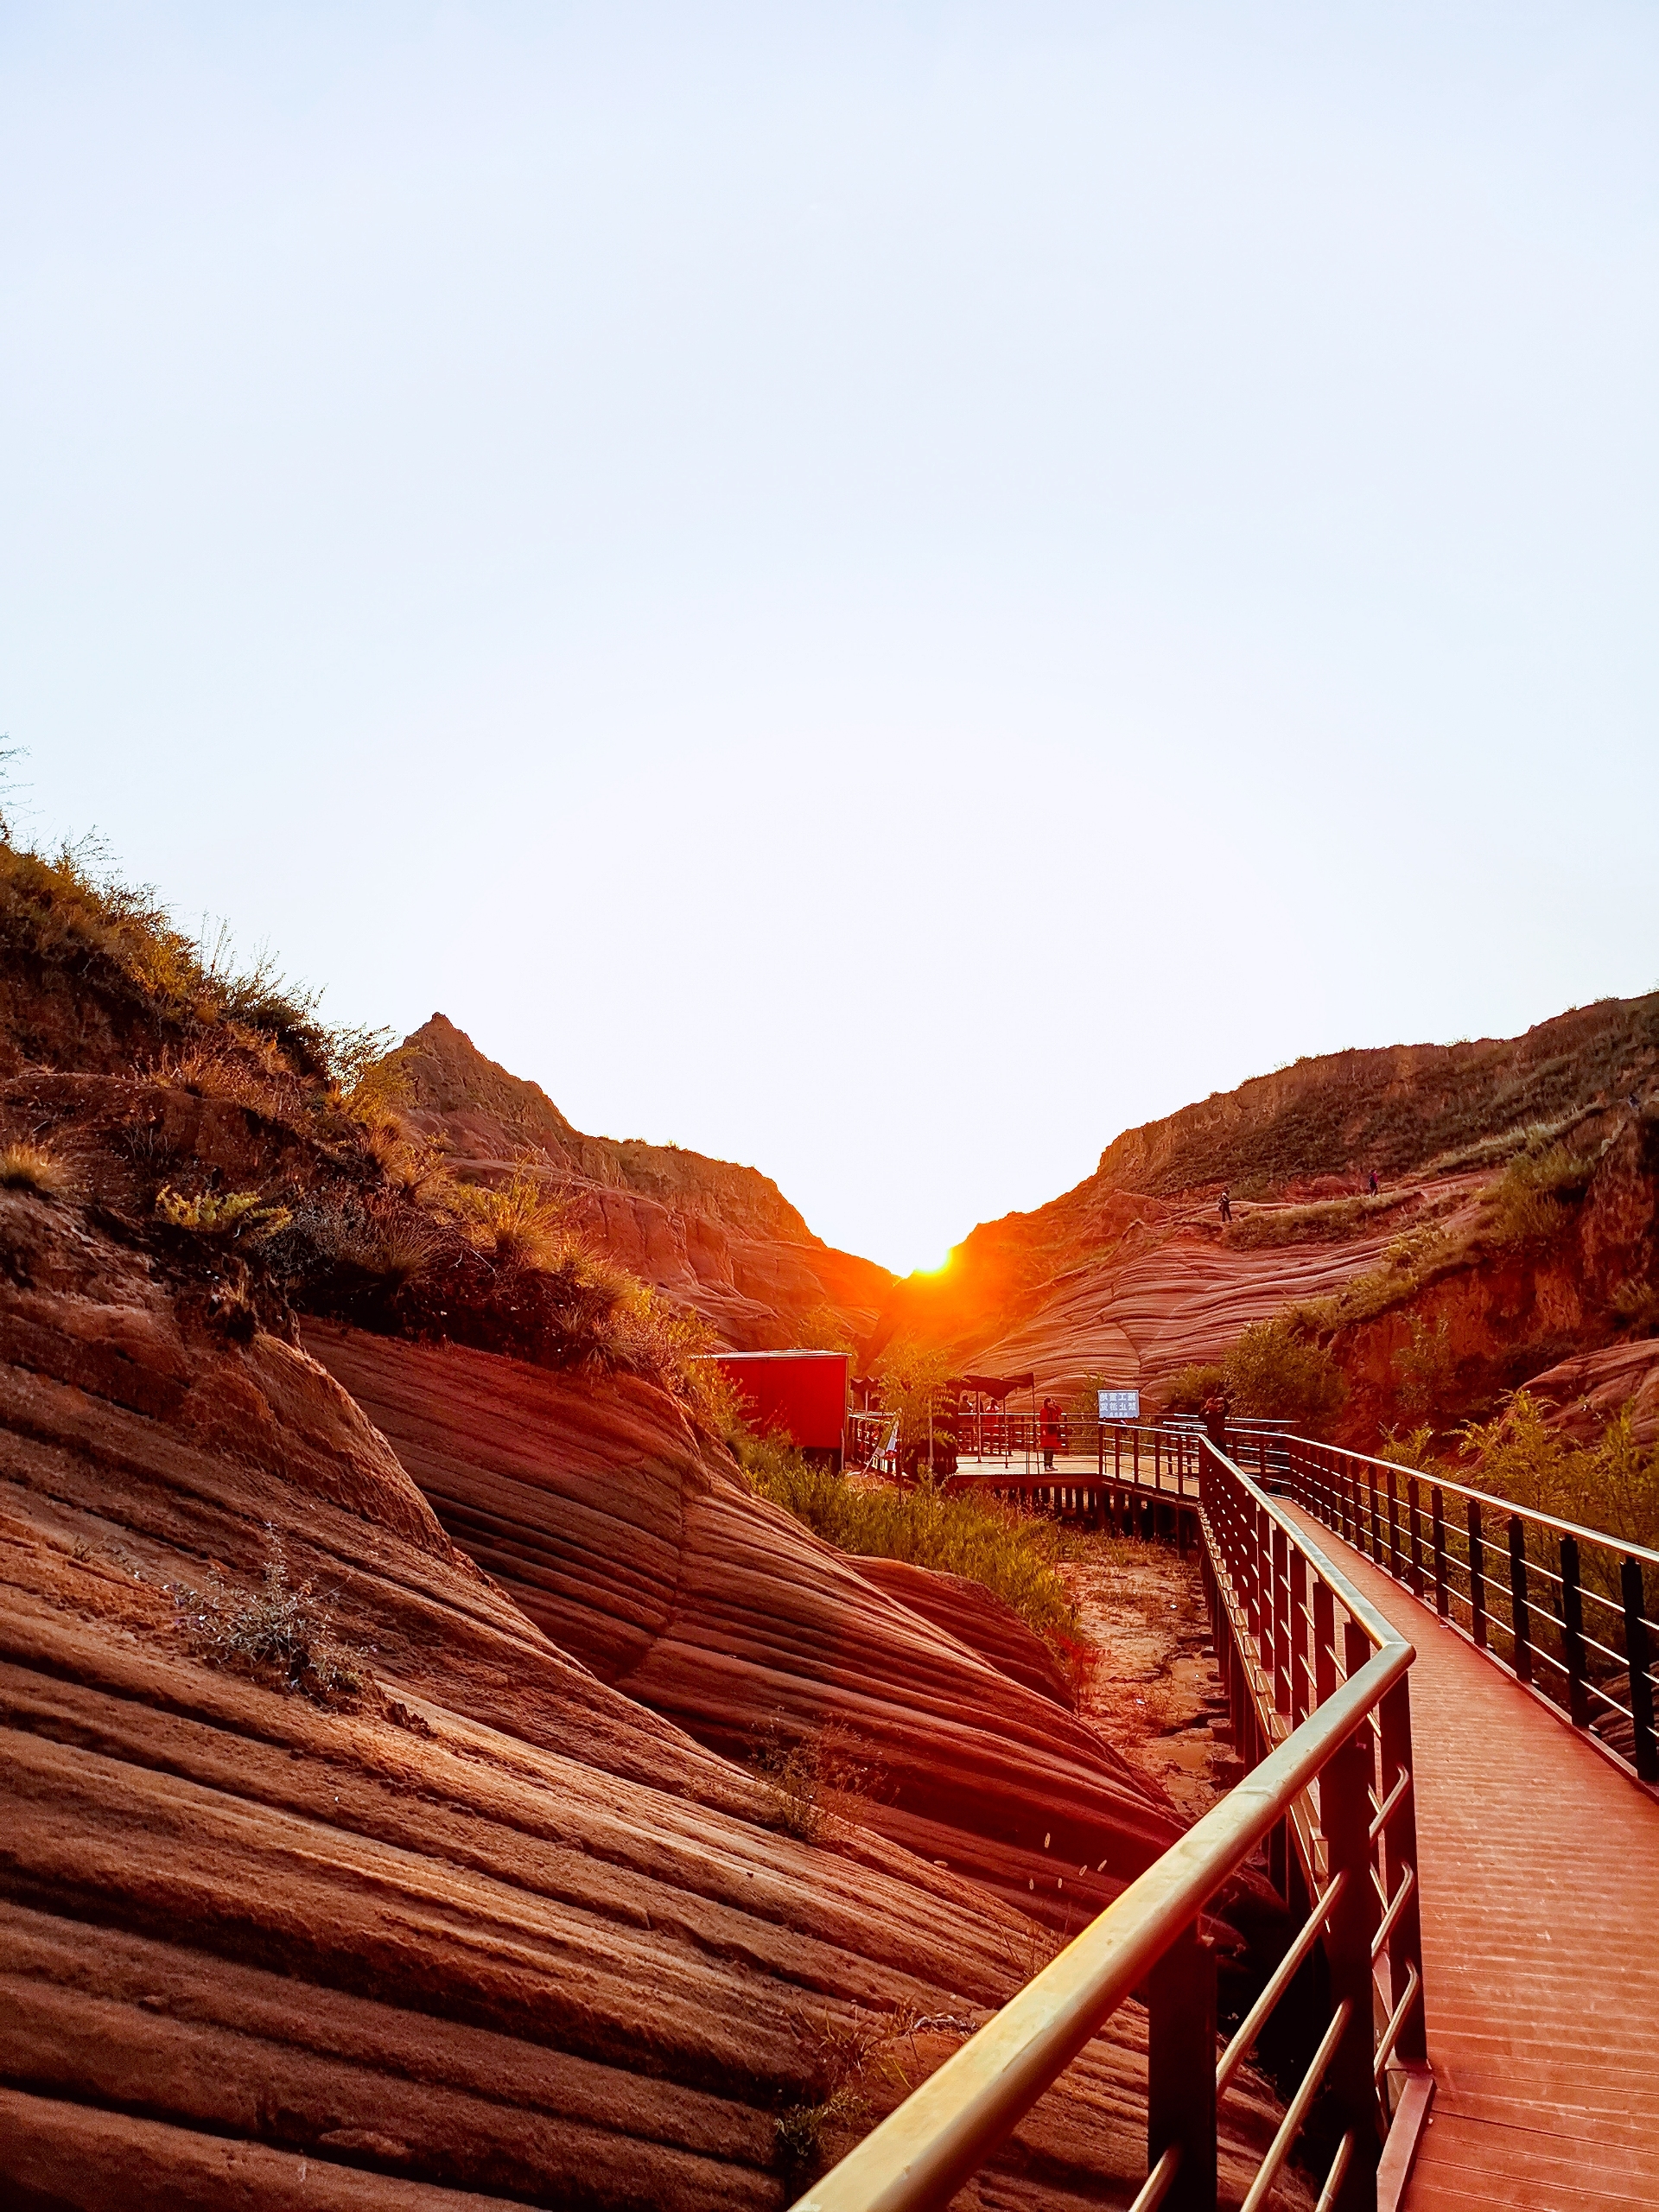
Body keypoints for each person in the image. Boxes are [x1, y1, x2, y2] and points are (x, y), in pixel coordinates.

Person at [1039, 1395, 1062, 1472]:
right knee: (1047, 1449)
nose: (1051, 1403)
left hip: (1053, 1432)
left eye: (1051, 1401)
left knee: (1051, 1448)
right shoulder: (1043, 1410)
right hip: (1047, 1431)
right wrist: (1043, 1430)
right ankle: (1046, 1465)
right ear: (1046, 1403)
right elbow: (1042, 1421)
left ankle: (1050, 1464)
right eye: (1049, 1402)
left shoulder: (1052, 1410)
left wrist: (1055, 1405)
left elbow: (1060, 1412)